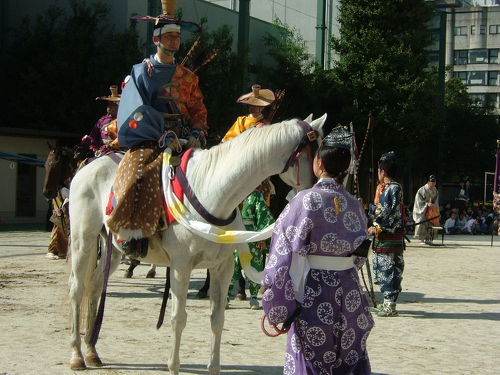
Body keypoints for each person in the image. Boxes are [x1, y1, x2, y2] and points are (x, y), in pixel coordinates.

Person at [261, 126, 373, 375]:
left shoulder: (303, 201)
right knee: (347, 357)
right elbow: (360, 256)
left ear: (319, 163)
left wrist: (277, 300)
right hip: (350, 293)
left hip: (314, 291)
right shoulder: (355, 205)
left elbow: (282, 255)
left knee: (311, 357)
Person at [106, 1, 207, 256]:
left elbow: (197, 109)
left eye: (177, 37)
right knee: (138, 172)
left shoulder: (188, 77)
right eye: (169, 36)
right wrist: (160, 134)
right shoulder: (141, 72)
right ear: (156, 39)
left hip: (184, 138)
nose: (174, 42)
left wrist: (197, 131)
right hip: (150, 137)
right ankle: (132, 232)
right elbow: (134, 109)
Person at [368, 151, 405, 317]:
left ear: (382, 172)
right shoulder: (387, 189)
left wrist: (377, 225)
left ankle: (390, 305)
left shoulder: (394, 189)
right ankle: (386, 303)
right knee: (383, 269)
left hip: (388, 235)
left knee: (390, 269)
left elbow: (391, 213)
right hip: (384, 237)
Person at [227, 182, 275, 309]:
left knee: (254, 265)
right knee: (231, 265)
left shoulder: (256, 196)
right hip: (234, 234)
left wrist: (262, 235)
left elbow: (263, 215)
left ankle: (253, 297)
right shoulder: (233, 195)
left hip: (251, 235)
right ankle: (225, 296)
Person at [82, 85, 121, 156]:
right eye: (109, 104)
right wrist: (90, 142)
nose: (109, 106)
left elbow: (123, 136)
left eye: (113, 104)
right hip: (101, 151)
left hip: (118, 151)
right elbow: (94, 136)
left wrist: (110, 146)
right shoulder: (101, 121)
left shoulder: (122, 119)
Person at [413, 175, 440, 245]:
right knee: (422, 221)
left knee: (432, 221)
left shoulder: (435, 190)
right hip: (422, 209)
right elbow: (418, 202)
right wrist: (426, 205)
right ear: (428, 182)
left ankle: (429, 238)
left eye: (434, 183)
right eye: (431, 183)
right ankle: (422, 238)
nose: (433, 184)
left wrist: (433, 206)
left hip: (431, 209)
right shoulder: (421, 190)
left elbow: (436, 201)